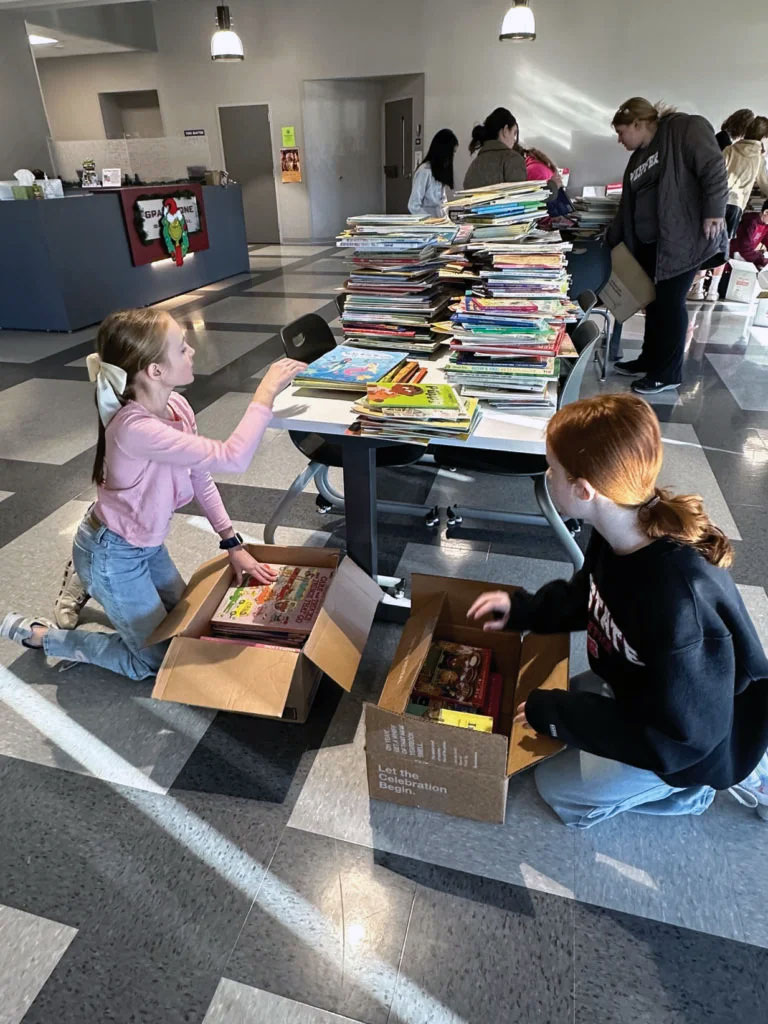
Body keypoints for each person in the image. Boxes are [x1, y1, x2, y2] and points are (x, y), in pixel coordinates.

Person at [467, 393, 768, 828]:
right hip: (640, 689)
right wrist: (524, 611)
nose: (547, 476)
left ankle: (696, 793)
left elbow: (682, 740)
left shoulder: (678, 603)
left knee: (559, 790)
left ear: (583, 490)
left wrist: (559, 714)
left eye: (553, 469)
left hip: (696, 742)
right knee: (541, 711)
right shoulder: (619, 527)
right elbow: (588, 597)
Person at [0, 309, 305, 680]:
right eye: (181, 348)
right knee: (157, 660)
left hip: (145, 543)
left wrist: (233, 544)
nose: (192, 351)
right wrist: (266, 391)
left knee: (188, 621)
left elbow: (200, 477)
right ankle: (45, 636)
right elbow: (233, 457)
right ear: (155, 371)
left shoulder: (176, 406)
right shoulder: (134, 428)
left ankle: (87, 578)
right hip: (114, 552)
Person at [607, 97, 728, 395]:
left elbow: (713, 167)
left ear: (638, 123)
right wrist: (612, 237)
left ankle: (669, 372)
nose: (620, 140)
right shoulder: (637, 158)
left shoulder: (683, 128)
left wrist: (715, 210)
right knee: (654, 303)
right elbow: (628, 204)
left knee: (671, 305)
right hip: (651, 244)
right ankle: (650, 360)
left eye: (622, 132)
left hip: (681, 239)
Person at [690, 115, 768, 300]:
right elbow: (764, 184)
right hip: (736, 206)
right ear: (763, 137)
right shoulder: (758, 158)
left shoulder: (730, 150)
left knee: (707, 243)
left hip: (717, 202)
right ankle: (713, 291)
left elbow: (715, 174)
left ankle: (697, 288)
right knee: (722, 248)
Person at [463, 107, 526, 190]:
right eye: (514, 133)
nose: (514, 140)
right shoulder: (513, 159)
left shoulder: (474, 165)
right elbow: (519, 199)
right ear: (506, 130)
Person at [408, 128, 458, 218]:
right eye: (452, 153)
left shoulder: (440, 171)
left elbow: (443, 201)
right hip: (427, 226)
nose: (452, 157)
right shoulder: (424, 171)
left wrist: (445, 221)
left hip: (439, 222)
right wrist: (431, 221)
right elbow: (413, 206)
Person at [730, 199, 768, 270]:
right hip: (735, 257)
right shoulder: (750, 222)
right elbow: (744, 248)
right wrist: (762, 260)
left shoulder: (765, 225)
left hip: (747, 257)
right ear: (766, 212)